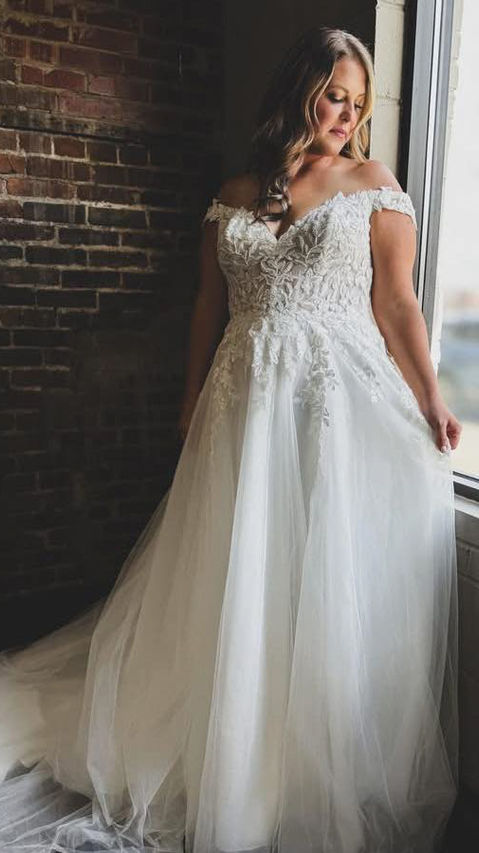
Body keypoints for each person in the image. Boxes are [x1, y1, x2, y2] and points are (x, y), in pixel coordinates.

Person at [0, 25, 461, 853]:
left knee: (310, 576)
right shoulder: (235, 191)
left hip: (330, 402)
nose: (346, 114)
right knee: (234, 569)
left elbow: (398, 307)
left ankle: (295, 765)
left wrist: (434, 400)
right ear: (299, 90)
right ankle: (227, 744)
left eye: (357, 102)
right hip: (239, 400)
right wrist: (187, 401)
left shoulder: (375, 187)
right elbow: (206, 312)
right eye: (333, 95)